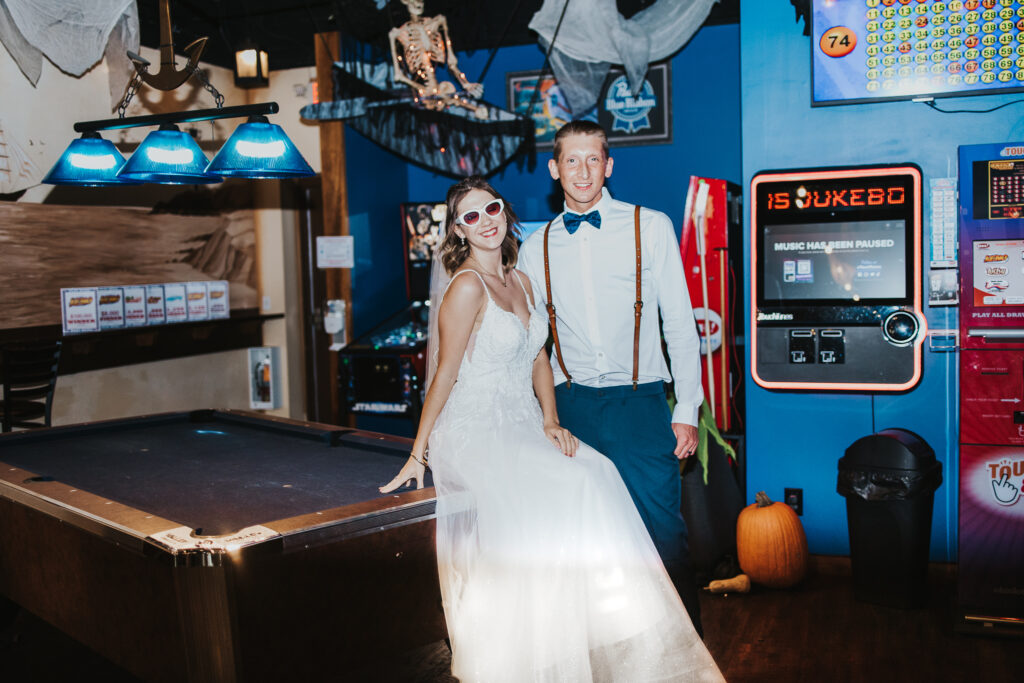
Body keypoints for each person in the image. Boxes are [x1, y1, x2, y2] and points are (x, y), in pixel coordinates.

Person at [380, 176, 722, 682]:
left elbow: (539, 356)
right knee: (561, 496)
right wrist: (419, 450)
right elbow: (445, 372)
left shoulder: (521, 280)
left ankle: (597, 633)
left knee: (597, 473)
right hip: (476, 429)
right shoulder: (466, 286)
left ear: (504, 211)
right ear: (458, 231)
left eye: (491, 208)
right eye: (470, 216)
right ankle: (528, 653)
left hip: (522, 420)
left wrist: (550, 420)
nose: (485, 221)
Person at [517, 119, 705, 634]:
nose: (582, 171)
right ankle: (609, 650)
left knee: (663, 534)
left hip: (641, 406)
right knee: (583, 540)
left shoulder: (652, 226)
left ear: (609, 165)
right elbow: (533, 343)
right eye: (571, 161)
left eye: (593, 159)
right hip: (572, 408)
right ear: (555, 169)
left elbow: (681, 327)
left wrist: (686, 411)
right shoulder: (536, 247)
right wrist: (544, 415)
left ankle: (684, 655)